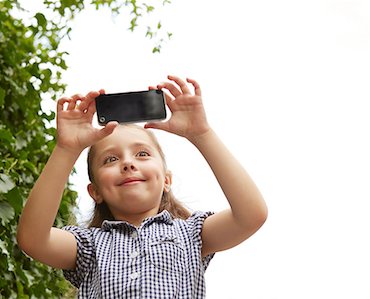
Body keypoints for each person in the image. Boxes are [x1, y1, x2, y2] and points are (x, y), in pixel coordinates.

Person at [16, 75, 268, 298]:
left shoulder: (191, 234)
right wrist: (66, 149)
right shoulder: (89, 245)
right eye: (111, 159)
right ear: (96, 193)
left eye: (142, 154)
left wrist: (201, 133)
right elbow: (33, 239)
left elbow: (251, 214)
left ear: (166, 180)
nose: (127, 163)